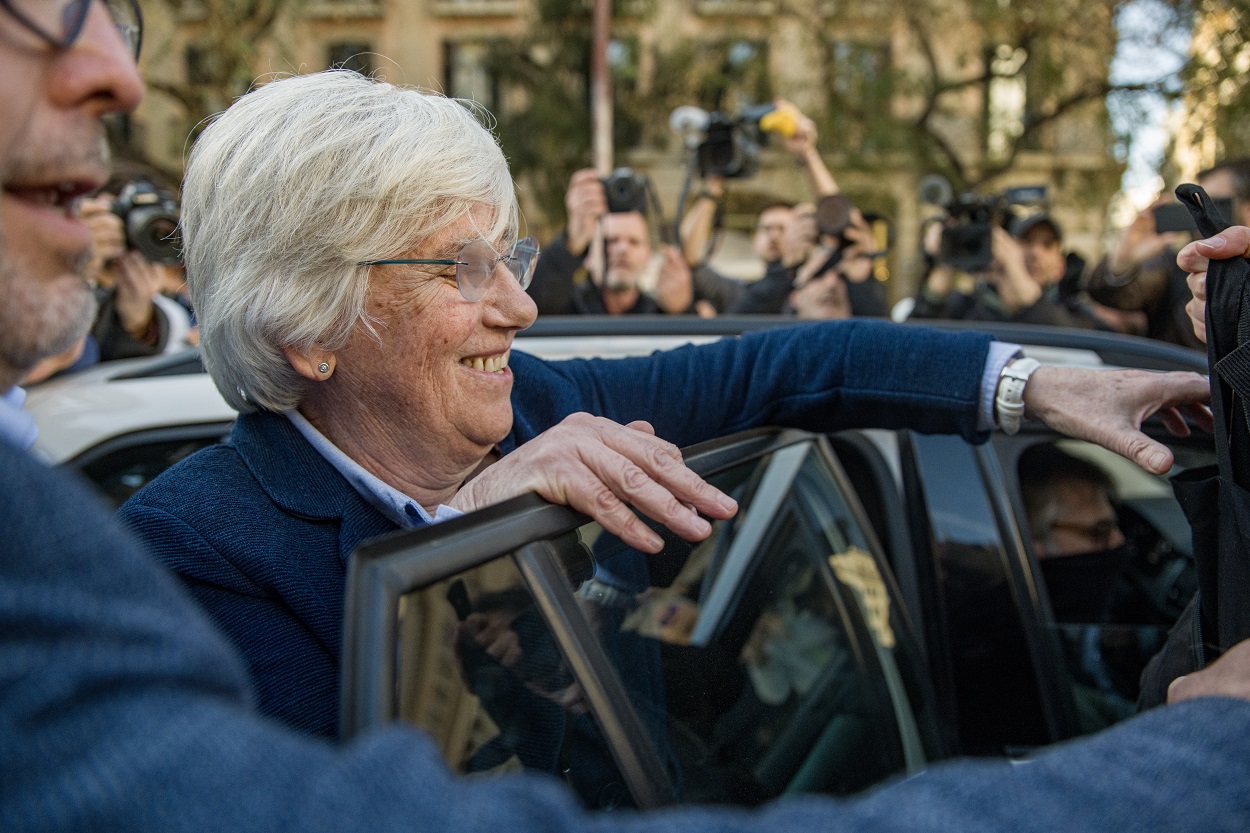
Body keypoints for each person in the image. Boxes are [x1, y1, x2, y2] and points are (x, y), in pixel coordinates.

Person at [4, 4, 1250, 831]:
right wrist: (449, 546)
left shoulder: (545, 400)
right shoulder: (183, 560)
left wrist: (1053, 383)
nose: (523, 303)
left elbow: (788, 369)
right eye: (458, 268)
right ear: (305, 329)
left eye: (513, 251)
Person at [1087, 158, 1250, 349]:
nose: (1202, 214)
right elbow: (1114, 296)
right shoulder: (1180, 265)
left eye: (1215, 204)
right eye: (1197, 205)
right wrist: (1123, 262)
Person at [525, 168, 695, 315]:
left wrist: (683, 309)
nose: (622, 249)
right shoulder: (565, 305)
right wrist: (572, 241)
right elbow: (530, 305)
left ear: (648, 255)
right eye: (611, 241)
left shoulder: (660, 313)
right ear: (589, 255)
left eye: (634, 242)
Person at [911, 213, 1103, 328]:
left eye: (1047, 245)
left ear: (1060, 268)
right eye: (1026, 241)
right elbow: (912, 338)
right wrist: (946, 258)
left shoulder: (1076, 315)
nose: (1035, 253)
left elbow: (1069, 340)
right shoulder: (966, 308)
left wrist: (1017, 272)